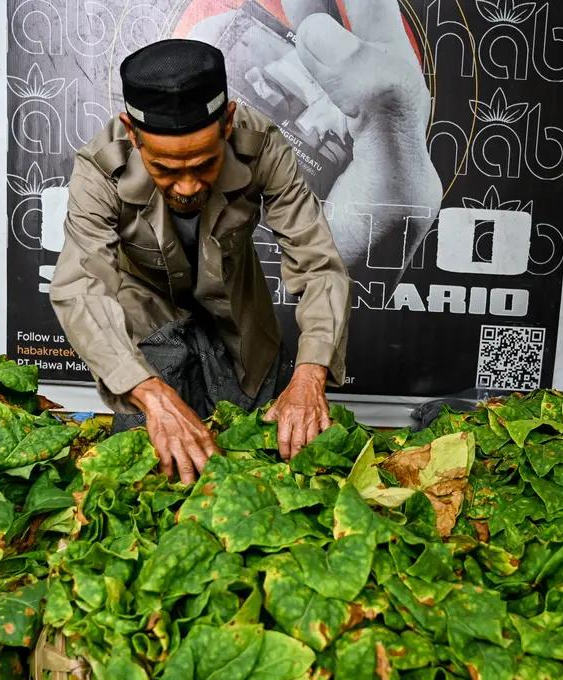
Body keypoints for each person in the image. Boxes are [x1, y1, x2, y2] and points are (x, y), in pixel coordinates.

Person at [51, 39, 352, 483]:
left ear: (227, 123)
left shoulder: (263, 143)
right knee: (154, 466)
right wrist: (153, 397)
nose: (188, 187)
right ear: (132, 133)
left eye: (204, 164)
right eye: (167, 169)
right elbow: (81, 287)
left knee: (271, 454)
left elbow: (318, 263)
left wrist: (310, 375)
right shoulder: (99, 167)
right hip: (148, 313)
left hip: (237, 307)